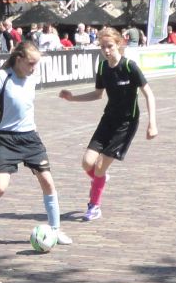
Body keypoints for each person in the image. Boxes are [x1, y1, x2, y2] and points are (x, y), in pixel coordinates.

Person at [0, 42, 72, 245]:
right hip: (6, 140)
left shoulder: (32, 78)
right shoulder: (1, 77)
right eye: (30, 64)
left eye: (36, 64)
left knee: (48, 182)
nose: (33, 68)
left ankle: (55, 230)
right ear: (18, 60)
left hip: (30, 138)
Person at [58, 27, 158, 222]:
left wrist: (152, 123)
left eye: (110, 46)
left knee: (100, 166)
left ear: (119, 44)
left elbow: (149, 93)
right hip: (108, 120)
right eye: (102, 47)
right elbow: (98, 94)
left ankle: (94, 206)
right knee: (87, 163)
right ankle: (100, 178)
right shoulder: (103, 67)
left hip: (126, 124)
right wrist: (73, 98)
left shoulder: (129, 66)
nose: (106, 50)